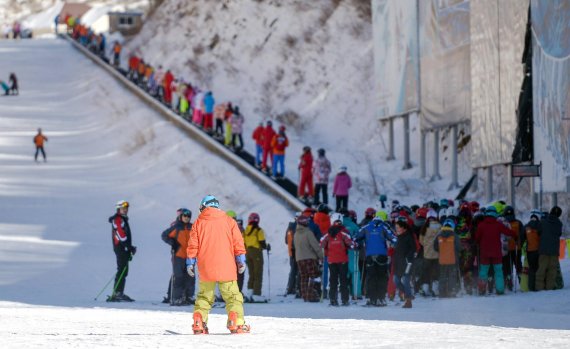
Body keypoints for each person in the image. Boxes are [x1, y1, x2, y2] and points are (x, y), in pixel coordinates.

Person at [186, 195, 250, 334]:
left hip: (206, 267)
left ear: (204, 206)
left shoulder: (198, 223)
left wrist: (190, 263)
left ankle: (199, 321)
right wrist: (241, 261)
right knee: (232, 296)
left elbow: (193, 245)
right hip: (226, 267)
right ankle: (236, 322)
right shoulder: (229, 221)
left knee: (204, 296)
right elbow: (238, 243)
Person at [357, 211, 397, 306]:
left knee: (371, 277)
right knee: (382, 277)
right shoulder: (384, 227)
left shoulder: (366, 227)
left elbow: (356, 237)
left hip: (370, 256)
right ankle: (381, 298)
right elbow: (393, 238)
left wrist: (359, 244)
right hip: (382, 255)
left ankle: (371, 299)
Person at [474, 206, 515, 295]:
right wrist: (515, 235)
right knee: (498, 272)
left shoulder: (481, 225)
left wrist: (477, 242)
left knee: (483, 271)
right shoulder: (498, 224)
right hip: (496, 252)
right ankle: (500, 290)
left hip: (484, 253)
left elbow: (476, 238)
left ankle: (482, 290)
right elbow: (508, 231)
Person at [161, 208, 195, 305]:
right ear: (181, 216)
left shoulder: (192, 227)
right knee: (178, 277)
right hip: (178, 256)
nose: (187, 218)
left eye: (189, 216)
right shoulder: (176, 227)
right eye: (185, 216)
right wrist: (173, 243)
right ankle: (176, 298)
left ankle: (188, 297)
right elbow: (164, 235)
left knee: (190, 277)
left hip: (190, 257)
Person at [320, 213, 355, 306]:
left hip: (332, 260)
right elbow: (351, 243)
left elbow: (322, 243)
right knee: (343, 280)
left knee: (333, 280)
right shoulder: (344, 232)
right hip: (343, 260)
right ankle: (345, 300)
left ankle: (333, 299)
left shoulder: (328, 233)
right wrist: (354, 245)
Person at [107, 200, 136, 302]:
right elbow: (121, 235)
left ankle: (119, 292)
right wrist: (128, 247)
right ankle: (117, 293)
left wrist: (129, 247)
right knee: (122, 270)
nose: (125, 210)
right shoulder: (118, 219)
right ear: (118, 209)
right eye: (123, 208)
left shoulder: (123, 219)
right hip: (120, 247)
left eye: (126, 208)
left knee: (124, 270)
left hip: (123, 247)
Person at [294, 214, 323, 302]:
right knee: (313, 276)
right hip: (309, 258)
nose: (308, 222)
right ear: (304, 223)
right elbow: (315, 246)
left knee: (304, 277)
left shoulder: (296, 234)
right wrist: (321, 256)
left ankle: (305, 296)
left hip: (299, 259)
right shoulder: (308, 232)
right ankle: (311, 296)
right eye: (307, 221)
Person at [243, 212, 270, 302]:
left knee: (252, 273)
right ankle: (256, 294)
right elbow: (262, 242)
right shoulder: (259, 230)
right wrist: (267, 247)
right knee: (258, 273)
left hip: (247, 252)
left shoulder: (246, 230)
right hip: (256, 252)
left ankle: (250, 293)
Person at [535, 206, 563, 291]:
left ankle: (539, 288)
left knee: (541, 270)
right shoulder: (559, 224)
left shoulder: (543, 222)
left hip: (543, 250)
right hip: (554, 251)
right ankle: (549, 288)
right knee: (552, 271)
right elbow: (559, 234)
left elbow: (538, 232)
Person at [433, 219, 460, 298]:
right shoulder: (454, 235)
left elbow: (435, 247)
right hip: (453, 259)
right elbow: (459, 247)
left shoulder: (439, 235)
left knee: (442, 276)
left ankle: (442, 293)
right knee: (452, 276)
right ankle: (452, 292)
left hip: (442, 259)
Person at [393, 217, 416, 308]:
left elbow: (413, 249)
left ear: (403, 228)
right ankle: (408, 294)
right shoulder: (398, 237)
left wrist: (408, 259)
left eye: (398, 227)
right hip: (398, 262)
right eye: (396, 227)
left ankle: (408, 301)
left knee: (406, 280)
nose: (397, 229)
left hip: (407, 263)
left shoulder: (408, 236)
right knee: (396, 280)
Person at [419, 209, 441, 297]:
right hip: (437, 254)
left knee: (426, 273)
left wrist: (427, 246)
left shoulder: (424, 227)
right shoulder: (440, 226)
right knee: (436, 273)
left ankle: (425, 290)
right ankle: (435, 290)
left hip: (427, 254)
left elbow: (421, 241)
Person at [522, 210, 541, 291]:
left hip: (530, 251)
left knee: (532, 269)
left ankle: (531, 286)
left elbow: (522, 239)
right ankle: (538, 286)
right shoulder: (540, 226)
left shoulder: (526, 227)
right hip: (539, 251)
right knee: (539, 269)